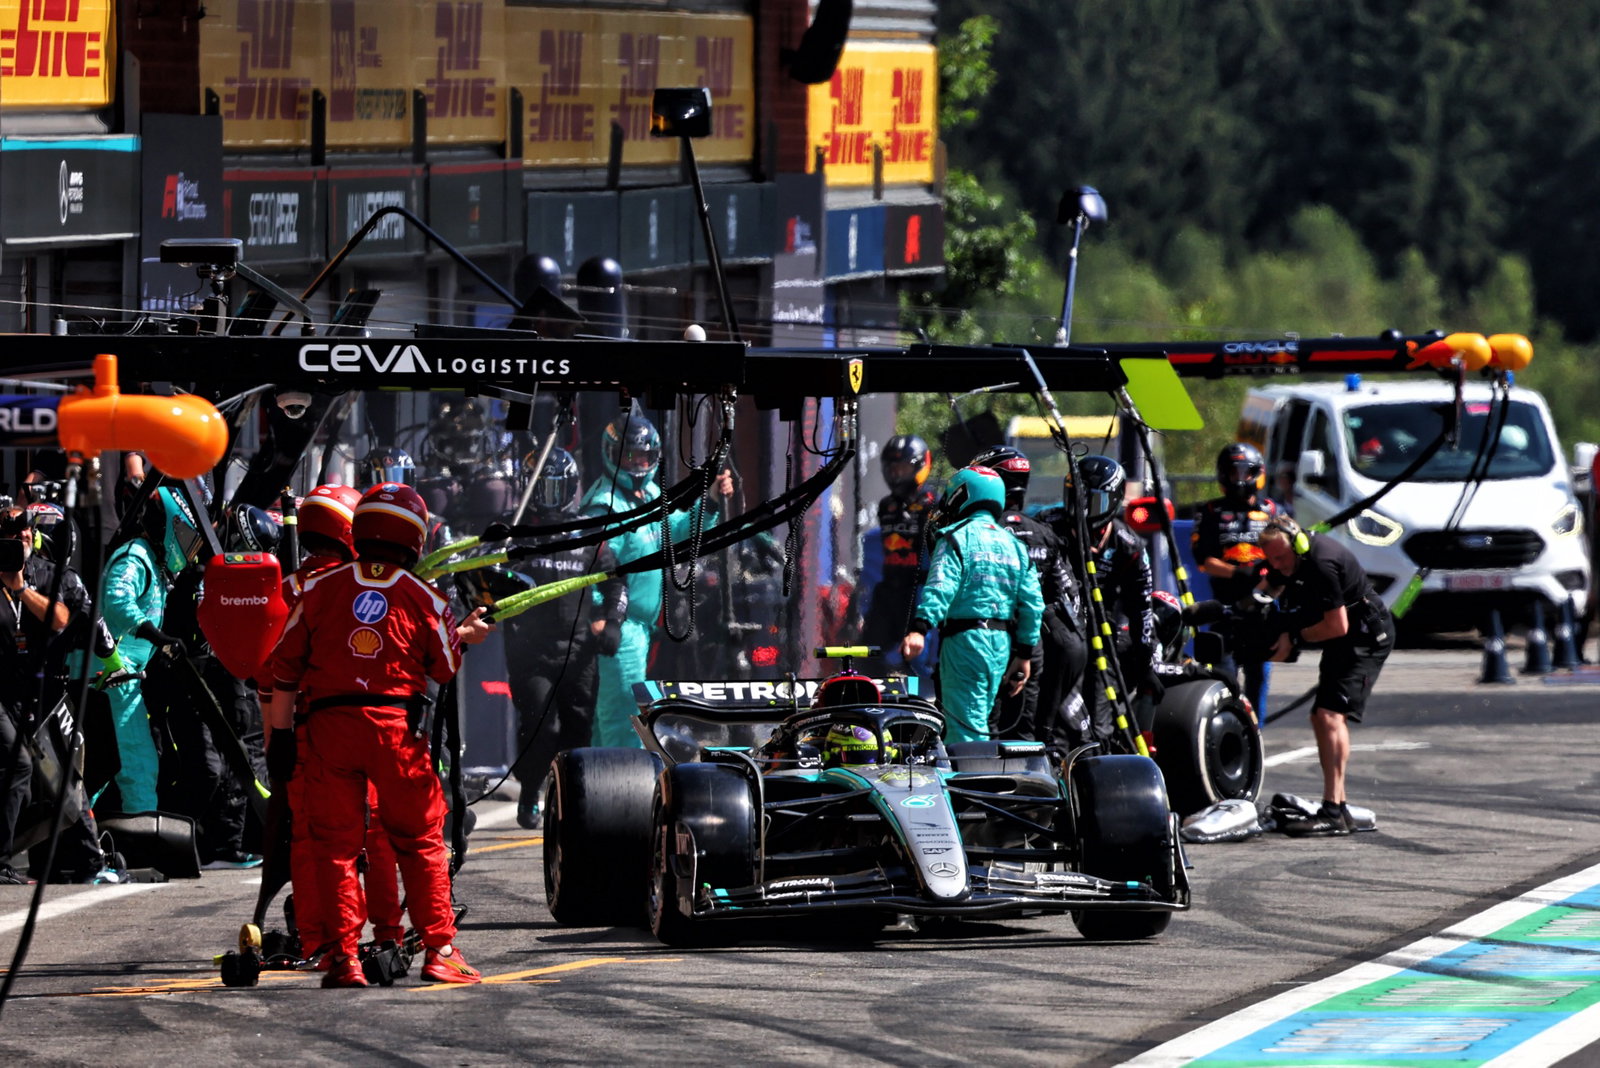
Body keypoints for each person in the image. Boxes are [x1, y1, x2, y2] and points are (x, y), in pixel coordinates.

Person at [266, 482, 493, 987]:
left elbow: (284, 668)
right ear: (415, 538)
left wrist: (280, 740)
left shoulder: (316, 590)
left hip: (328, 729)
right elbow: (447, 667)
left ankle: (345, 958)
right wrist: (465, 637)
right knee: (419, 839)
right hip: (394, 731)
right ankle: (440, 951)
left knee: (335, 846)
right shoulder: (425, 597)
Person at [274, 483, 405, 963]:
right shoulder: (361, 586)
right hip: (359, 723)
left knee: (311, 837)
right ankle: (387, 932)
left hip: (295, 729)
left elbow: (268, 672)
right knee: (376, 832)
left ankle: (321, 941)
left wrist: (277, 738)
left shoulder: (283, 587)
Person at [579, 414, 731, 749]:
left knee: (612, 722)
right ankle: (625, 793)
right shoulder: (604, 506)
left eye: (644, 457)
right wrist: (601, 618)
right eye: (630, 456)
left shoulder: (649, 494)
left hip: (644, 628)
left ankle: (598, 792)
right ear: (613, 455)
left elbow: (679, 532)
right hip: (620, 628)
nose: (638, 463)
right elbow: (590, 566)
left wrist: (712, 502)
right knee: (626, 720)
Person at [502, 448, 627, 828]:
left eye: (558, 488)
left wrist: (613, 622)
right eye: (543, 488)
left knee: (578, 732)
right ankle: (530, 789)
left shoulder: (590, 532)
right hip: (531, 652)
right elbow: (487, 578)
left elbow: (617, 582)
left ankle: (575, 806)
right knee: (542, 725)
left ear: (571, 488)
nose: (550, 497)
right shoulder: (514, 528)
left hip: (579, 652)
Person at [1258, 514, 1394, 837]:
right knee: (1320, 716)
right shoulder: (1290, 561)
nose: (1278, 564)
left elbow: (1338, 625)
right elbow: (1269, 585)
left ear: (1299, 545)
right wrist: (1248, 606)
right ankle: (1339, 808)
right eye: (1271, 559)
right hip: (1343, 638)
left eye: (1282, 556)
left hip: (1364, 636)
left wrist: (1294, 638)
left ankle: (1332, 811)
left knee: (1331, 715)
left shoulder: (1321, 564)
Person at [899, 465, 1043, 743]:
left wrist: (919, 628)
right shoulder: (1014, 545)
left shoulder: (956, 537)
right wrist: (1024, 654)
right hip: (1001, 645)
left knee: (964, 731)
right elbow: (1033, 605)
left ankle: (971, 785)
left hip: (965, 643)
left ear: (962, 496)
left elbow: (941, 586)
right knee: (980, 719)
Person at [0, 506, 97, 883]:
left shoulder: (44, 574)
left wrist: (20, 588)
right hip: (3, 692)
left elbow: (60, 619)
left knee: (42, 779)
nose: (19, 540)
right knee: (19, 766)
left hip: (36, 692)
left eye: (24, 533)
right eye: (9, 535)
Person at [970, 445, 1087, 744]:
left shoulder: (977, 531)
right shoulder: (1044, 533)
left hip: (987, 637)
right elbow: (1067, 597)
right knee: (1026, 729)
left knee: (983, 724)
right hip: (1031, 644)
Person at [97, 485, 200, 815]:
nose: (188, 550)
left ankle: (77, 846)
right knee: (138, 767)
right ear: (171, 527)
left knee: (101, 768)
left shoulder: (152, 563)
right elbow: (116, 600)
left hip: (120, 678)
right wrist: (159, 638)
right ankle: (142, 844)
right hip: (113, 674)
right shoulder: (135, 556)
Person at [1047, 455, 1156, 746]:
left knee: (1099, 721)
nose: (1081, 510)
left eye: (1090, 503)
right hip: (1057, 633)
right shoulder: (1049, 527)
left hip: (1102, 634)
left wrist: (1146, 664)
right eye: (1075, 499)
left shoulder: (1129, 545)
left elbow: (1142, 607)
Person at [1191, 443, 1279, 714]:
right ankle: (1226, 725)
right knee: (1223, 675)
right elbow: (1204, 561)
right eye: (1233, 472)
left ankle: (1256, 731)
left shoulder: (1273, 511)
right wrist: (1239, 573)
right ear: (1222, 475)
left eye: (1247, 471)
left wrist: (1265, 579)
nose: (1240, 478)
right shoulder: (1210, 512)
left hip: (1262, 606)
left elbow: (1285, 559)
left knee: (1259, 676)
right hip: (1225, 607)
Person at [861, 435, 938, 671]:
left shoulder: (934, 503)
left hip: (919, 589)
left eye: (903, 468)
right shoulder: (887, 506)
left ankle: (918, 699)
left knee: (916, 658)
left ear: (921, 465)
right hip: (889, 588)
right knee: (868, 652)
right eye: (893, 469)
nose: (897, 475)